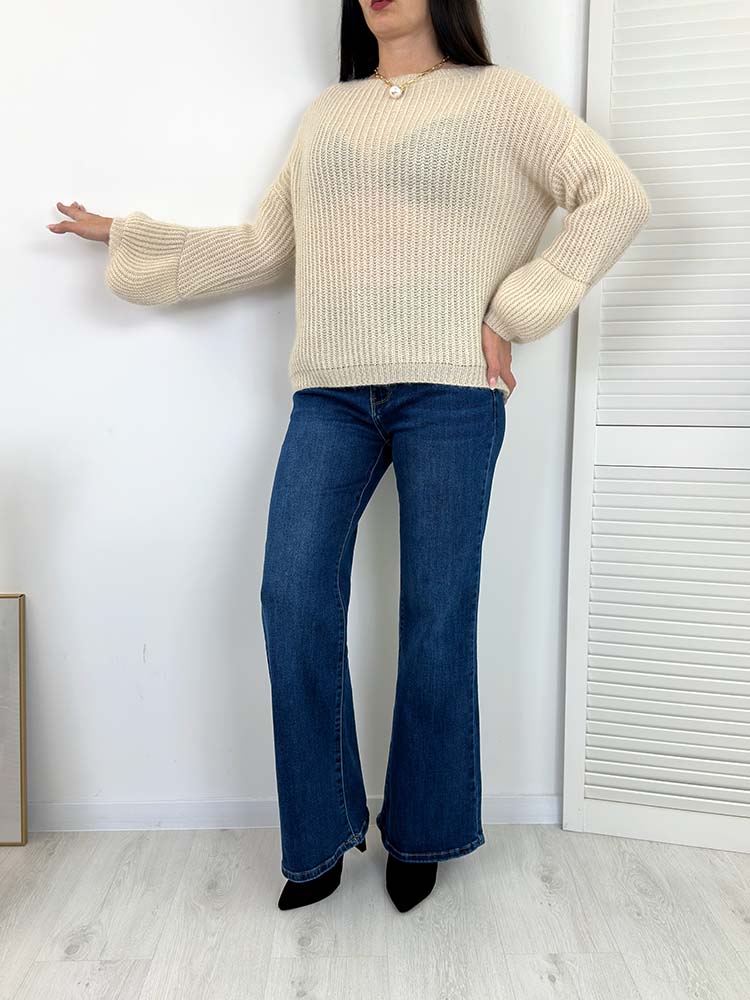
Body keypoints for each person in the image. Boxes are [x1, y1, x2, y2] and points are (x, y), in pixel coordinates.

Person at [47, 0, 651, 914]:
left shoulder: (505, 100)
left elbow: (617, 197)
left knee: (437, 616)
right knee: (291, 596)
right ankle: (321, 832)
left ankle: (425, 831)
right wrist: (126, 236)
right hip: (330, 393)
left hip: (450, 392)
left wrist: (516, 309)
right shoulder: (329, 114)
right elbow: (266, 246)